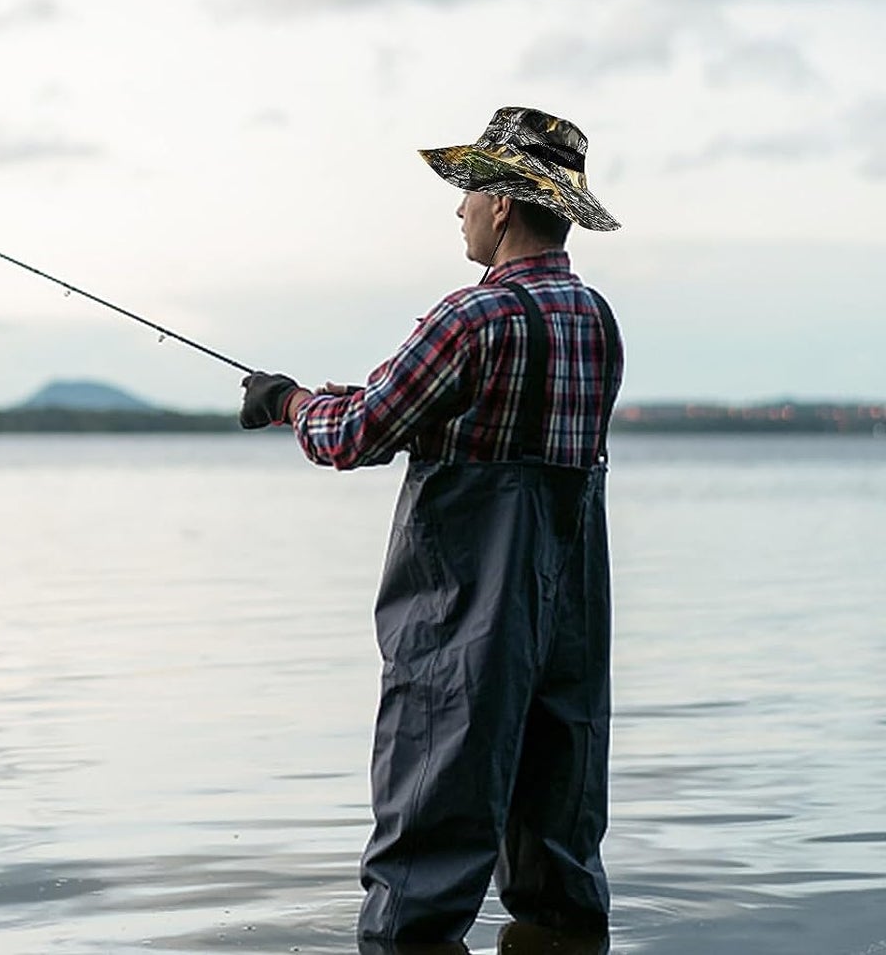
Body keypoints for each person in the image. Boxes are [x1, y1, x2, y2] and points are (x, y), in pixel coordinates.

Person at [239, 107, 623, 951]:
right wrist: (360, 400)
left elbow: (353, 437)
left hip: (462, 612)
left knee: (428, 814)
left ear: (505, 205)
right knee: (556, 816)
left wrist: (286, 402)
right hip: (566, 611)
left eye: (469, 191)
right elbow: (462, 416)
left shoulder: (471, 318)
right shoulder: (596, 319)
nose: (458, 208)